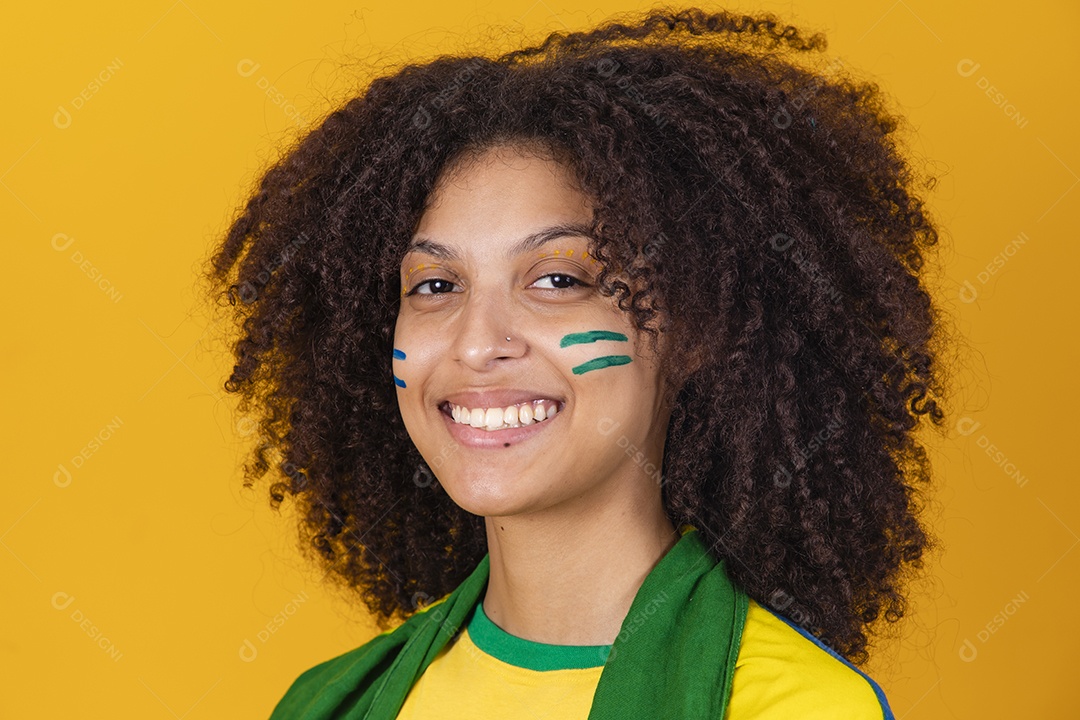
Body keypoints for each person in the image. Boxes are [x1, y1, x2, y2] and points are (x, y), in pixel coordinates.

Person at [203, 7, 951, 718]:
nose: (475, 342)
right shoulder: (334, 703)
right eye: (435, 285)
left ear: (694, 329)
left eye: (558, 281)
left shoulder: (789, 708)